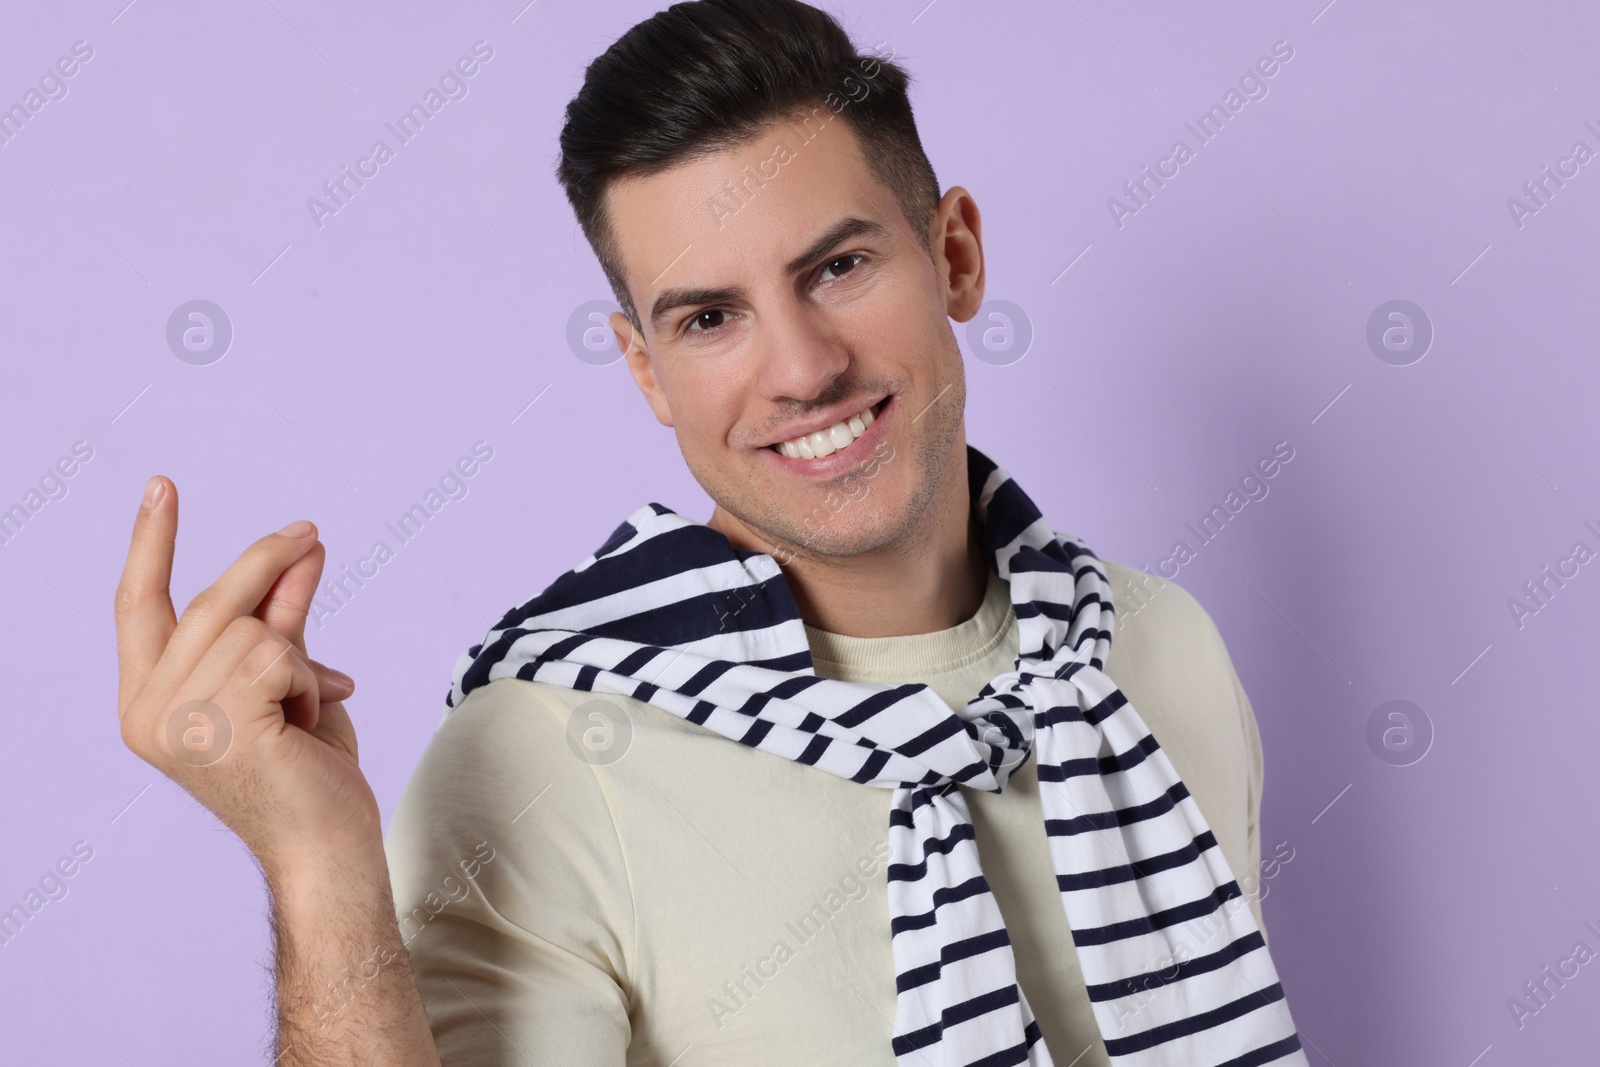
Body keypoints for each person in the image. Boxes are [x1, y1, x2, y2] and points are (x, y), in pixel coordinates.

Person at [113, 1, 1307, 1063]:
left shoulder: (1155, 650)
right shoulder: (542, 762)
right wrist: (318, 871)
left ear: (954, 253)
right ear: (645, 367)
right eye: (709, 317)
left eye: (838, 265)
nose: (801, 368)